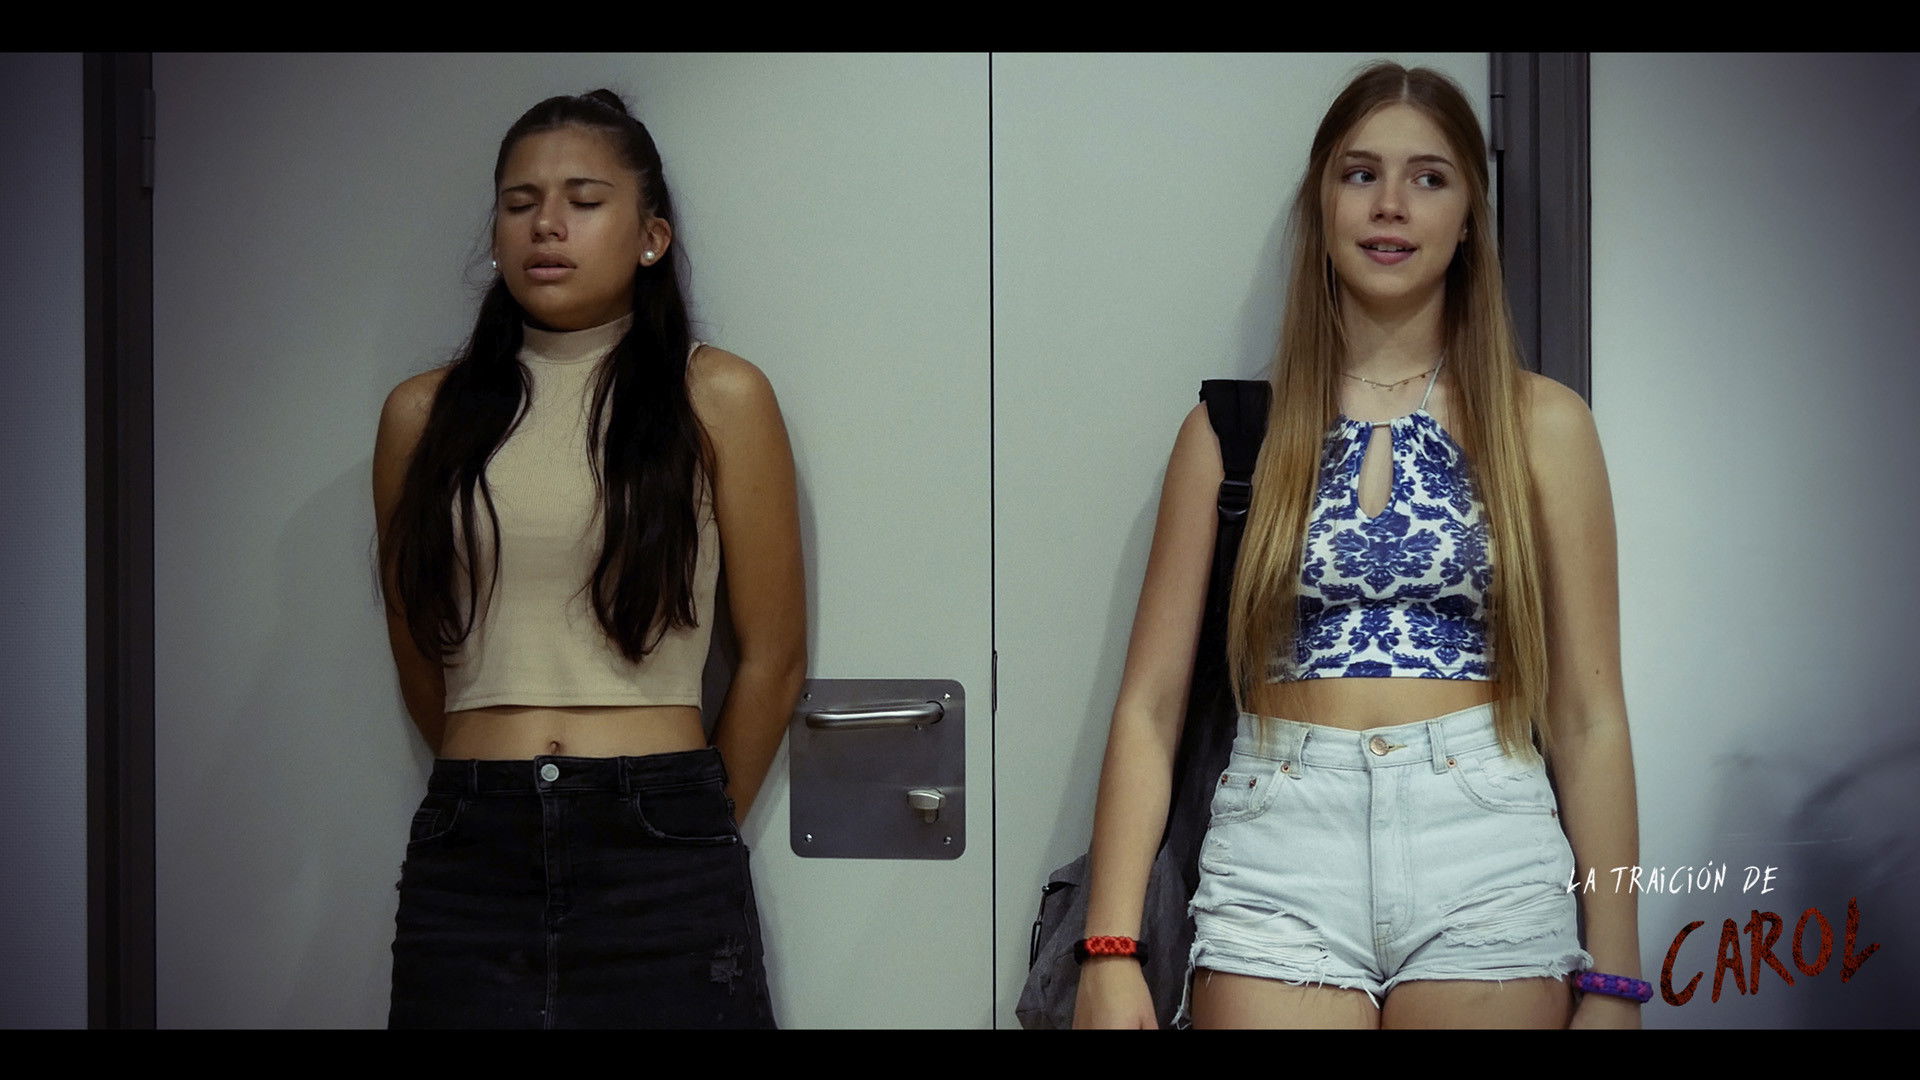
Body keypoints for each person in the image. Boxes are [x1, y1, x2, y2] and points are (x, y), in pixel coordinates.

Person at [1071, 62, 1642, 1029]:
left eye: (1429, 178)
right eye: (1360, 173)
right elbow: (1150, 709)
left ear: (1470, 218)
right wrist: (1110, 948)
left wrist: (1617, 979)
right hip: (1278, 849)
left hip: (1487, 842)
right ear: (1322, 203)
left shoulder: (1543, 425)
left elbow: (1588, 718)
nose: (1390, 206)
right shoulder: (1230, 434)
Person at [372, 90, 805, 1029]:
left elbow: (773, 660)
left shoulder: (719, 395)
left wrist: (688, 818)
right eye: (519, 202)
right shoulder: (422, 414)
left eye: (584, 199)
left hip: (662, 843)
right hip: (471, 848)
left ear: (651, 237)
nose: (547, 225)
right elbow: (415, 643)